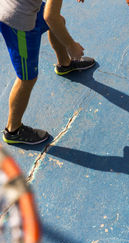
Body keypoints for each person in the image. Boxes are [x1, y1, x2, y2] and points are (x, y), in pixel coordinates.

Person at [0, 0, 95, 145]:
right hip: (17, 21)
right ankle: (13, 130)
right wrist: (71, 46)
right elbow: (50, 17)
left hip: (21, 6)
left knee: (59, 21)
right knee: (27, 78)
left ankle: (65, 64)